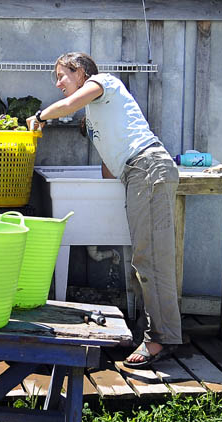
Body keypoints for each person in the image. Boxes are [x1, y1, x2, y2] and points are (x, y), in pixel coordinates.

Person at [26, 52, 181, 369]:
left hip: (148, 168)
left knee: (151, 258)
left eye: (61, 76)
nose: (58, 84)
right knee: (144, 259)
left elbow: (67, 106)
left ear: (80, 72)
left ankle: (159, 339)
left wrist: (40, 117)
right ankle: (158, 332)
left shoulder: (104, 82)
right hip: (136, 172)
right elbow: (110, 166)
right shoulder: (94, 115)